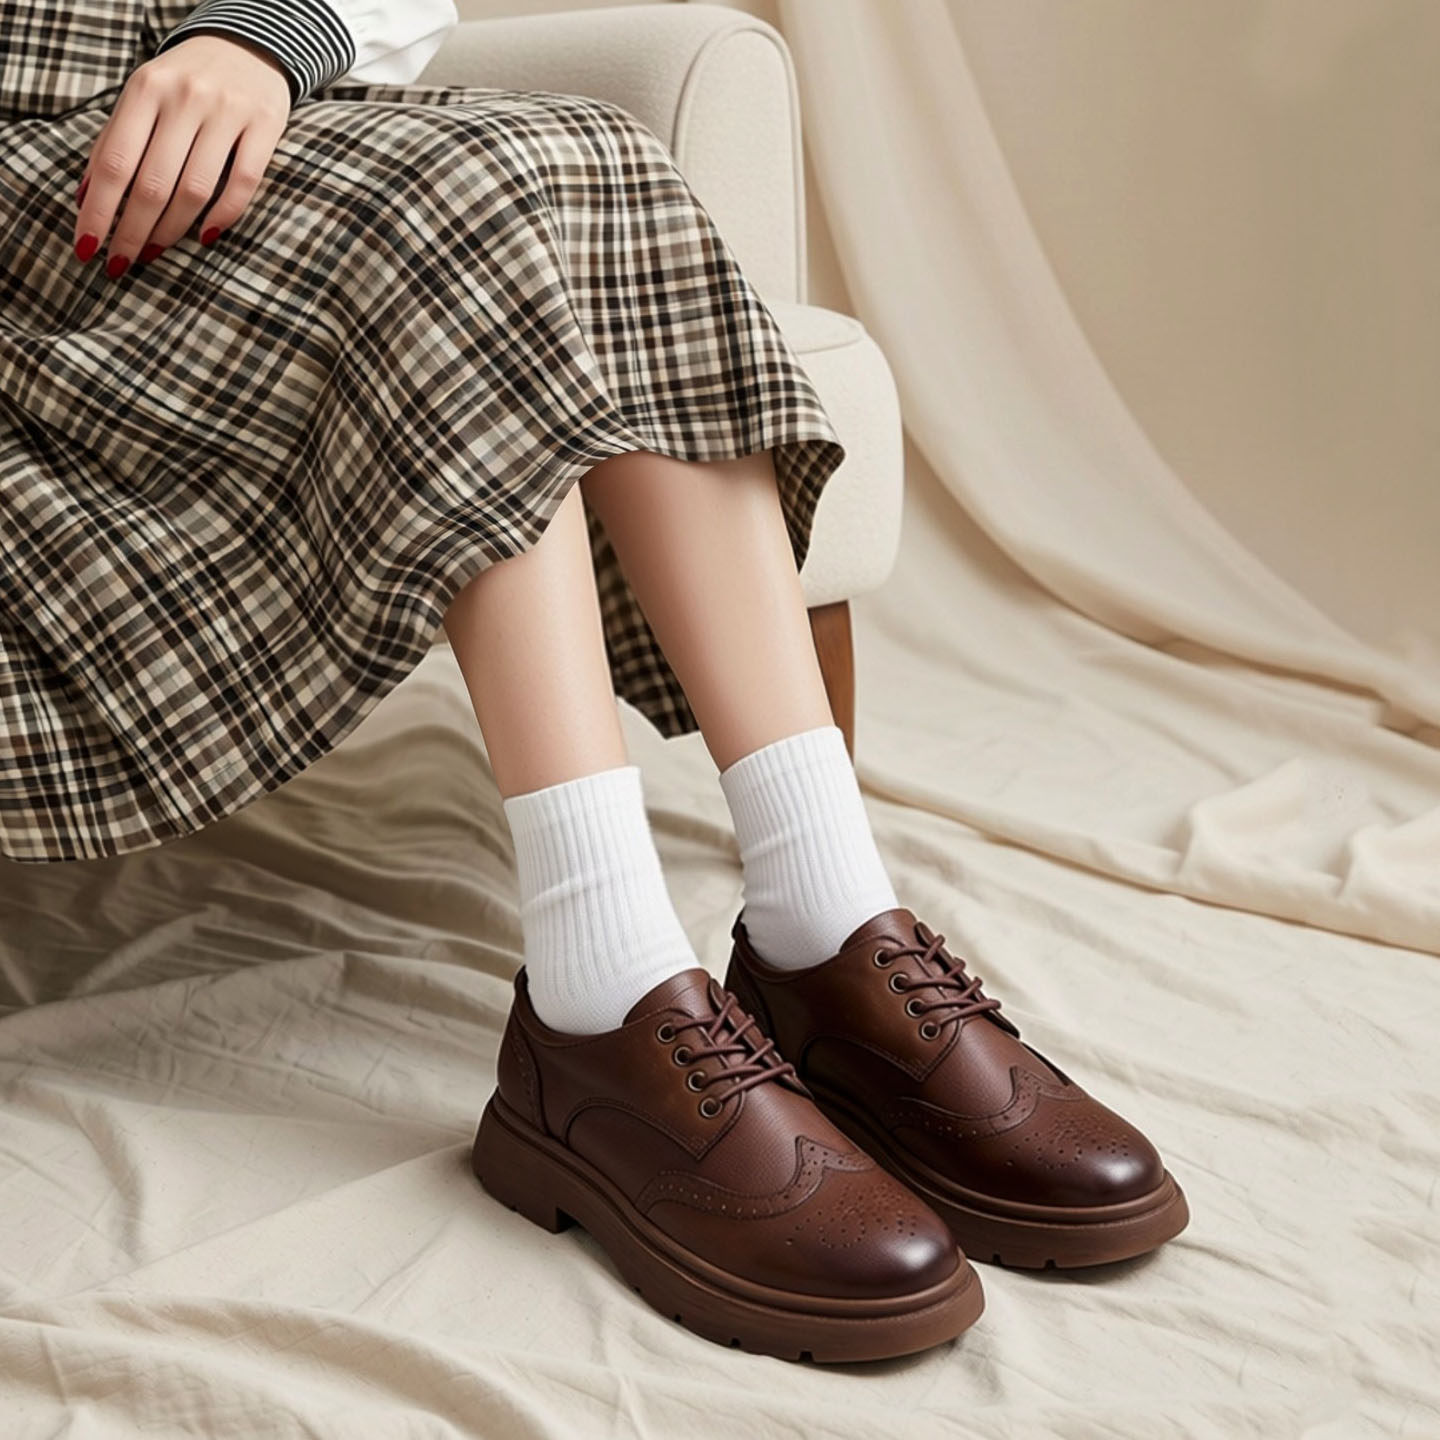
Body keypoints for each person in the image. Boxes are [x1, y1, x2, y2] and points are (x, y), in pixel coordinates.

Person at [0, 0, 1188, 1363]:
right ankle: (600, 989)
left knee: (592, 151)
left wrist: (270, 35)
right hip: (48, 227)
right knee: (461, 202)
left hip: (233, 145)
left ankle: (825, 926)